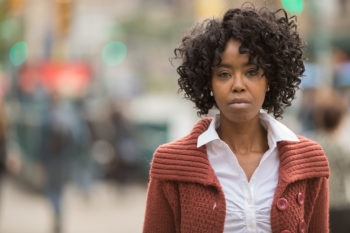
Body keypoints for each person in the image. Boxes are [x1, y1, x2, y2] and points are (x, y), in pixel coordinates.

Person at [143, 4, 330, 233]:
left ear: (270, 79)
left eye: (252, 72)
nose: (238, 85)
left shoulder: (309, 160)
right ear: (208, 83)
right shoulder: (171, 163)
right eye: (224, 74)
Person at [308, 89, 350, 233]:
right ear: (340, 119)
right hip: (341, 204)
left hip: (316, 205)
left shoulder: (311, 146)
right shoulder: (344, 148)